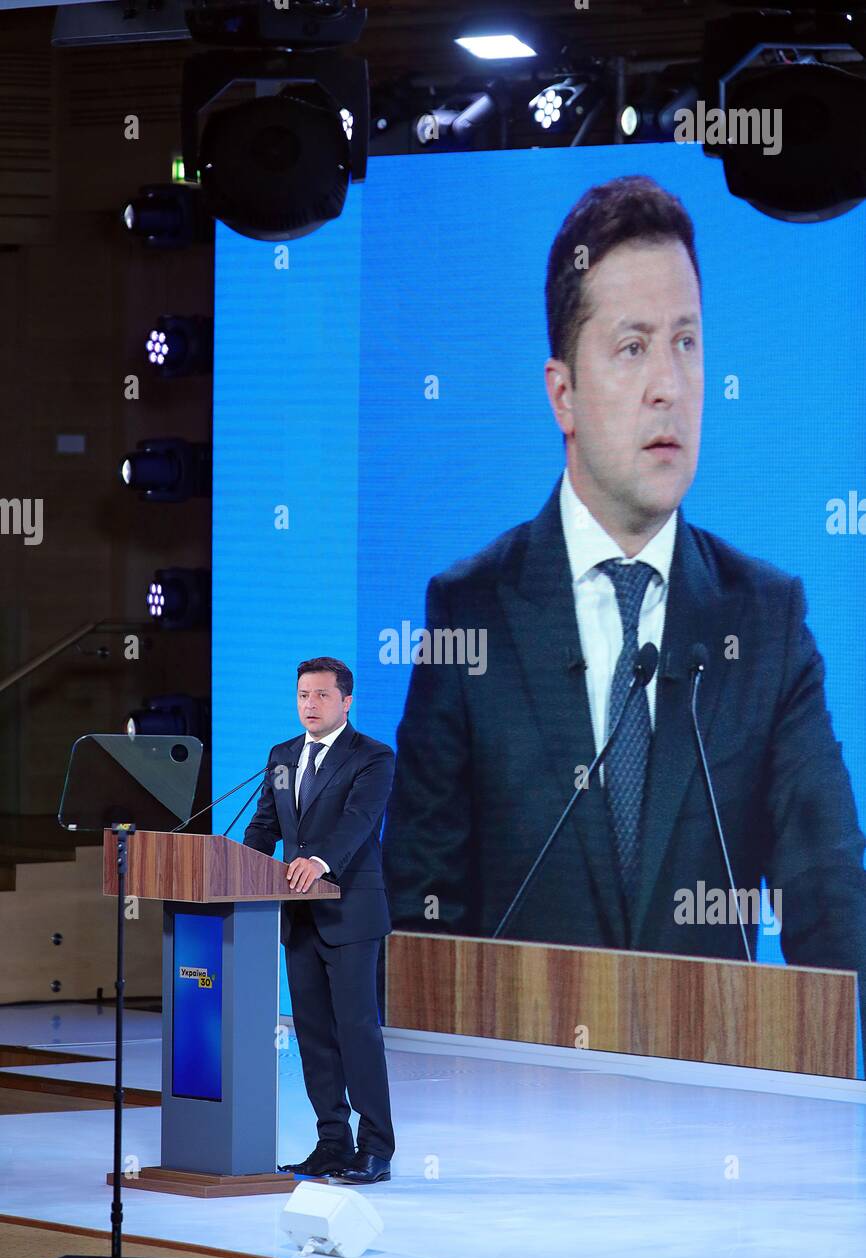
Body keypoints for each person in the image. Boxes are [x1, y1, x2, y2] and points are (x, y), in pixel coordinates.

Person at [382, 174, 866, 1022]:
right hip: (513, 1114)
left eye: (686, 342)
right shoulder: (472, 614)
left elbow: (830, 898)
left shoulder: (765, 619)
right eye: (634, 346)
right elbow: (420, 911)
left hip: (711, 1116)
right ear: (562, 393)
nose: (669, 386)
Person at [244, 657, 395, 1184]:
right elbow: (265, 825)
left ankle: (376, 1148)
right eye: (303, 695)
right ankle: (332, 1142)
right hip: (300, 920)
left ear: (346, 701)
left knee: (357, 1033)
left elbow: (358, 822)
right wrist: (243, 866)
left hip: (350, 913)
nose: (310, 704)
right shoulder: (282, 756)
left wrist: (319, 861)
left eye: (321, 696)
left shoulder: (372, 757)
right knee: (312, 1036)